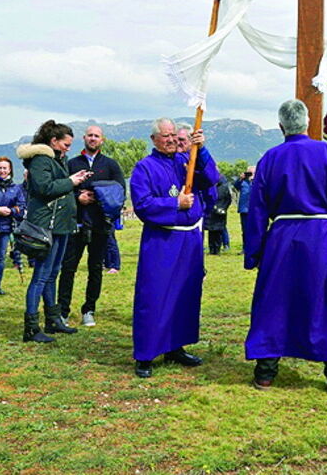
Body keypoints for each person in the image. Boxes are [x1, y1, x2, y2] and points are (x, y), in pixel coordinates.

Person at [244, 100, 327, 392]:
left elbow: (257, 210)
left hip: (282, 236)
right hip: (320, 238)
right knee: (325, 300)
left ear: (281, 126)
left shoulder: (269, 158)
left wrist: (254, 253)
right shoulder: (326, 153)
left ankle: (265, 372)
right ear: (307, 122)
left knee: (273, 301)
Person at [130, 118, 219, 377]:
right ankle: (146, 354)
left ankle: (176, 346)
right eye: (165, 136)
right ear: (154, 139)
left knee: (184, 294)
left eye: (173, 136)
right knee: (155, 295)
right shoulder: (144, 168)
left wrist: (201, 150)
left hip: (189, 240)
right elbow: (142, 204)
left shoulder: (185, 162)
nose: (170, 140)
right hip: (162, 241)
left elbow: (211, 178)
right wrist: (174, 204)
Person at [16, 120, 92, 343]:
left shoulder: (57, 159)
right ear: (54, 141)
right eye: (66, 144)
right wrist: (71, 181)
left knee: (52, 273)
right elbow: (45, 188)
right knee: (41, 276)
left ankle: (53, 318)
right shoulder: (41, 160)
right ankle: (31, 327)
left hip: (59, 225)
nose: (69, 148)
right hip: (45, 226)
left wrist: (73, 180)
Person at [57, 125, 125, 328]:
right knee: (68, 268)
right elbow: (61, 190)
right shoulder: (71, 164)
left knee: (95, 268)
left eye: (97, 136)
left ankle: (89, 309)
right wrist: (79, 197)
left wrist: (101, 199)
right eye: (90, 136)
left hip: (100, 225)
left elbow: (120, 192)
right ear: (84, 138)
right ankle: (62, 311)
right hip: (75, 224)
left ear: (102, 140)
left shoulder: (110, 165)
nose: (93, 139)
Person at [0, 157, 26, 295]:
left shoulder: (16, 188)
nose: (2, 171)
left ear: (10, 170)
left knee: (1, 257)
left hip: (6, 228)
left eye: (5, 168)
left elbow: (21, 206)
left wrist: (11, 211)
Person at [205, 175, 232, 255]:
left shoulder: (224, 187)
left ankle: (217, 249)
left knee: (218, 231)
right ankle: (211, 249)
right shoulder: (209, 187)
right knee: (211, 232)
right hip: (211, 212)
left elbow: (228, 199)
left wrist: (223, 208)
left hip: (220, 212)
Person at [234, 166, 255, 252]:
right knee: (245, 230)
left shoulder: (257, 181)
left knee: (254, 229)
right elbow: (236, 186)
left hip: (254, 209)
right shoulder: (243, 182)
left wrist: (255, 178)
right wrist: (240, 179)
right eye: (248, 172)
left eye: (251, 172)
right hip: (244, 209)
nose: (249, 174)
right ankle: (245, 248)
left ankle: (255, 247)